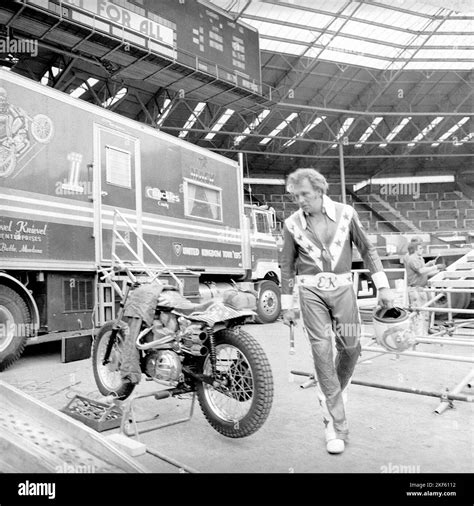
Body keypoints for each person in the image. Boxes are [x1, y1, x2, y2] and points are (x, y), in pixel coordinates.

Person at [280, 168, 395, 454]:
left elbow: (368, 249)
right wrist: (287, 305)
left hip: (344, 290)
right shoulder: (291, 224)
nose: (300, 201)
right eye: (296, 196)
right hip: (310, 292)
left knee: (352, 347)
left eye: (305, 194)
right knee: (321, 351)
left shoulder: (346, 214)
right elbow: (286, 265)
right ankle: (335, 424)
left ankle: (333, 392)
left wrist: (383, 287)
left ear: (319, 190)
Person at [403, 238, 445, 334]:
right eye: (420, 248)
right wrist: (435, 267)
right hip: (416, 289)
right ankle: (420, 335)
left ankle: (423, 333)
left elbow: (419, 270)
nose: (422, 249)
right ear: (415, 249)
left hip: (420, 288)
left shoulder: (417, 258)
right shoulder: (412, 259)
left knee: (423, 312)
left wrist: (428, 264)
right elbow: (421, 271)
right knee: (420, 313)